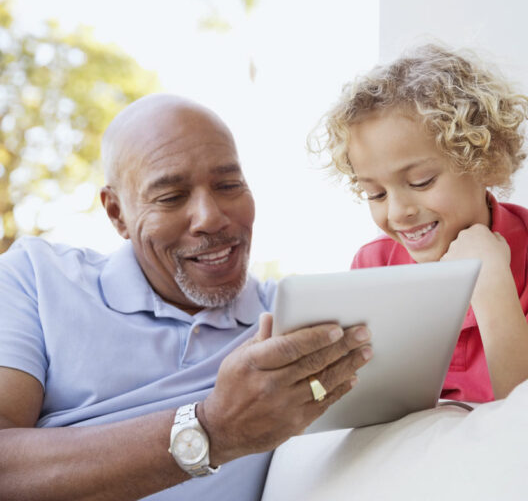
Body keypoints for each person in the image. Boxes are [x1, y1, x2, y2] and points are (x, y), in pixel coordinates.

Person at [0, 94, 373, 500]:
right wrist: (213, 430)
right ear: (116, 213)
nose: (210, 217)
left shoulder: (295, 323)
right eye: (171, 197)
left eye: (229, 185)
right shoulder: (35, 279)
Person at [312, 44, 528, 402]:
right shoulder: (373, 267)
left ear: (485, 162)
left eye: (421, 182)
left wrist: (491, 283)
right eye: (376, 195)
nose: (398, 213)